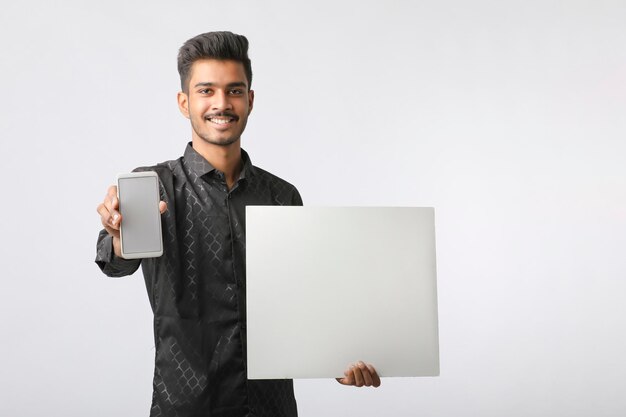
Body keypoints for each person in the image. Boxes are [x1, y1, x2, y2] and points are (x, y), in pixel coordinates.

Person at [95, 31, 380, 417]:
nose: (221, 103)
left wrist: (340, 361)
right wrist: (118, 235)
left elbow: (304, 304)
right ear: (185, 102)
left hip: (270, 406)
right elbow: (116, 264)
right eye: (206, 91)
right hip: (186, 404)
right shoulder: (154, 187)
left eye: (234, 90)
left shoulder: (282, 196)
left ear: (250, 99)